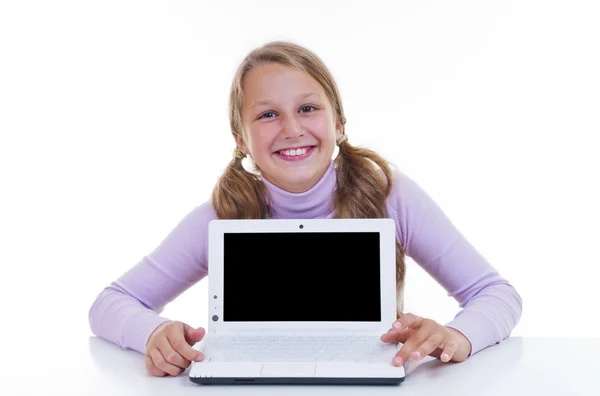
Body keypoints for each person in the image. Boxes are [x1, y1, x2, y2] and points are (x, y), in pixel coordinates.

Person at [89, 41, 523, 378]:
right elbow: (111, 303)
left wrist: (458, 336)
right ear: (241, 139)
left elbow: (497, 294)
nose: (292, 128)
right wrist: (153, 334)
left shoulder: (390, 196)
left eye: (308, 108)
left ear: (338, 122)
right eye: (267, 115)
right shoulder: (222, 216)